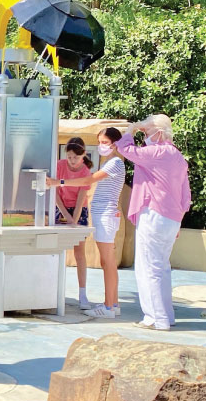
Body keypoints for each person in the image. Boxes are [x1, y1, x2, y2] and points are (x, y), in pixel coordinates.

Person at [115, 114, 190, 331]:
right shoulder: (177, 156)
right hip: (172, 218)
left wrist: (131, 130)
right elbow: (186, 194)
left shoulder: (158, 152)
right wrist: (178, 220)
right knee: (162, 267)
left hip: (154, 215)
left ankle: (156, 319)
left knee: (148, 268)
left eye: (148, 133)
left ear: (158, 133)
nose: (145, 136)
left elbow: (127, 150)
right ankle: (166, 315)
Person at [47, 128, 125, 318]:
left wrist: (60, 182)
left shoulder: (114, 163)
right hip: (103, 215)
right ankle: (112, 303)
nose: (101, 146)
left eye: (104, 142)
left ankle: (108, 307)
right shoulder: (111, 162)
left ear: (115, 144)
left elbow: (89, 179)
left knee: (108, 261)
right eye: (99, 142)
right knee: (107, 261)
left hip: (106, 215)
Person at [54, 137, 93, 309]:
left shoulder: (85, 172)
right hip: (60, 208)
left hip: (79, 210)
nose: (72, 161)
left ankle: (82, 293)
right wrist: (65, 216)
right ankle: (53, 290)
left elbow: (81, 198)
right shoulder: (59, 165)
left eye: (76, 157)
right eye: (69, 157)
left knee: (79, 251)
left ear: (83, 155)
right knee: (55, 248)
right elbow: (54, 191)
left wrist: (74, 220)